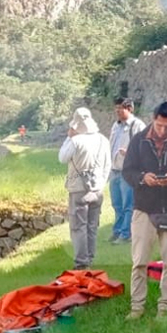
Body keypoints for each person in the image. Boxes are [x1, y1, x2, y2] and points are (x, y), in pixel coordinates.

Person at [122, 101, 167, 319]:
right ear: (153, 119)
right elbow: (127, 172)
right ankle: (137, 307)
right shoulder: (138, 141)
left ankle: (165, 307)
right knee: (139, 262)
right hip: (144, 207)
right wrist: (142, 178)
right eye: (160, 125)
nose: (164, 130)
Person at [58, 107, 111, 270]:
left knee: (78, 226)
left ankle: (81, 262)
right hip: (97, 189)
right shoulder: (103, 140)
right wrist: (101, 184)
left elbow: (62, 158)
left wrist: (69, 137)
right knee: (92, 226)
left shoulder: (76, 141)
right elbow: (107, 165)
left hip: (79, 189)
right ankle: (90, 257)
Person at [108, 97, 146, 244]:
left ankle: (126, 234)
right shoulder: (115, 126)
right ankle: (117, 231)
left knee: (128, 204)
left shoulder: (137, 126)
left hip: (129, 171)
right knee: (117, 204)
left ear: (130, 109)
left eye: (121, 108)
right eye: (116, 107)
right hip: (115, 170)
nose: (117, 110)